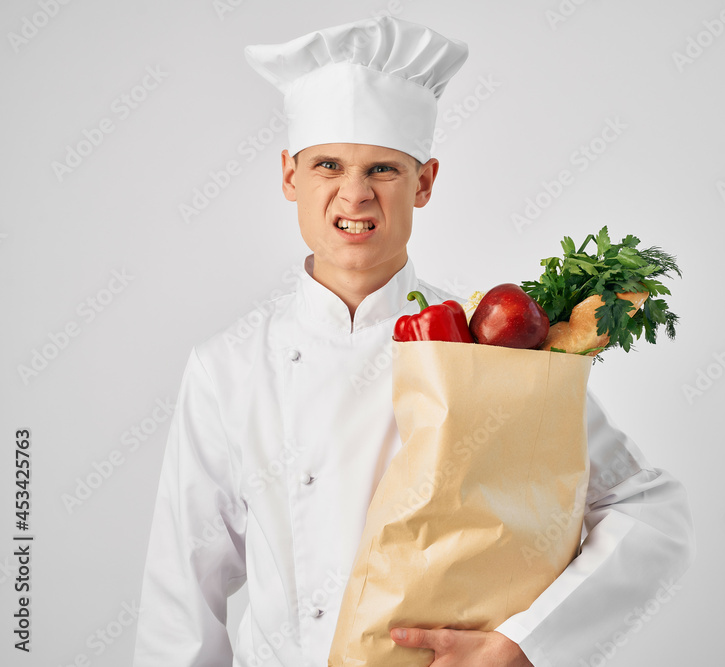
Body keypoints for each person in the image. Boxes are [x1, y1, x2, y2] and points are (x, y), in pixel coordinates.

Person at [132, 16, 695, 667]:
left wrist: (525, 643)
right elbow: (180, 600)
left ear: (424, 181)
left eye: (383, 169)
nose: (355, 193)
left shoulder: (489, 344)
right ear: (290, 175)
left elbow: (651, 512)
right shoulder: (227, 367)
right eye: (327, 165)